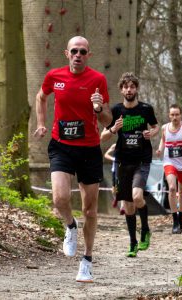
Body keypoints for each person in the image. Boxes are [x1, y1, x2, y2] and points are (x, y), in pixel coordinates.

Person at [34, 36, 112, 282]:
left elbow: (108, 121)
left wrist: (99, 108)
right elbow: (40, 97)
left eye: (83, 51)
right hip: (61, 146)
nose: (78, 54)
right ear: (66, 53)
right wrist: (41, 124)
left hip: (89, 149)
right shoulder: (54, 77)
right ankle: (70, 225)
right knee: (59, 198)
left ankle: (87, 260)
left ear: (88, 55)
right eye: (74, 51)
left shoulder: (98, 79)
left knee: (90, 210)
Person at [101, 72, 159, 257]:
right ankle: (133, 243)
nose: (129, 90)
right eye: (126, 87)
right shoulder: (116, 110)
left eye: (132, 87)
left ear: (136, 89)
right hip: (122, 162)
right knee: (128, 204)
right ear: (121, 90)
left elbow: (156, 126)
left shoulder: (146, 109)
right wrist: (113, 129)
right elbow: (102, 136)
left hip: (142, 160)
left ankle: (145, 231)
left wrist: (152, 133)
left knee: (137, 196)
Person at [156, 104, 182, 234]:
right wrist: (160, 150)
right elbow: (163, 141)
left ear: (181, 115)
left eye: (177, 114)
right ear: (169, 116)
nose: (175, 117)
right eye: (172, 115)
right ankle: (174, 220)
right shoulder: (164, 128)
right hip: (169, 162)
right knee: (172, 188)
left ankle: (181, 217)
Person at [104, 142, 125, 215]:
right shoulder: (115, 145)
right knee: (114, 190)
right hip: (115, 169)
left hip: (124, 169)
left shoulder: (129, 145)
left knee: (122, 187)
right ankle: (116, 197)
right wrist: (114, 159)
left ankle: (122, 207)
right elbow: (106, 155)